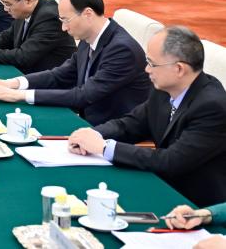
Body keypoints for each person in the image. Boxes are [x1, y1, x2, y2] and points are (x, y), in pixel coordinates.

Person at [68, 27, 226, 208]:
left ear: (179, 69)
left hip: (195, 205)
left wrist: (104, 148)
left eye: (152, 64)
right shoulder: (165, 89)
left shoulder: (212, 107)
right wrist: (92, 135)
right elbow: (130, 125)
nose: (146, 69)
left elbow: (171, 161)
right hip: (163, 186)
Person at [0, 0, 151, 125]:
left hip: (110, 131)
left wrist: (20, 96)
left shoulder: (121, 49)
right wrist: (12, 83)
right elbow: (60, 74)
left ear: (88, 14)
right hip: (85, 119)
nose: (63, 28)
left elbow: (84, 95)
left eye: (66, 20)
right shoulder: (89, 38)